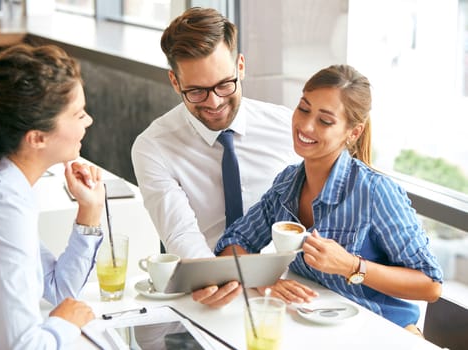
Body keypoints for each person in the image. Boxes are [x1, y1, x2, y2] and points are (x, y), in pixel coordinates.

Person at [211, 64, 443, 332]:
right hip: (318, 330)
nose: (306, 125)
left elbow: (431, 285)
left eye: (325, 120)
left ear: (353, 132)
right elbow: (234, 242)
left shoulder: (375, 193)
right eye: (304, 108)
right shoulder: (287, 184)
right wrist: (264, 281)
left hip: (384, 332)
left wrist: (350, 266)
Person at [131, 7, 298, 259]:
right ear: (175, 82)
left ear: (240, 66)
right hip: (204, 283)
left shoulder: (285, 127)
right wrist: (233, 280)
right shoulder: (154, 147)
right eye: (196, 91)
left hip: (286, 281)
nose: (214, 102)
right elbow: (180, 235)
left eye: (224, 84)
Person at [0, 44, 105, 349]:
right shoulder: (0, 206)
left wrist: (90, 210)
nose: (89, 121)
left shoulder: (6, 186)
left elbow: (58, 291)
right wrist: (65, 323)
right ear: (37, 138)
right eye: (79, 114)